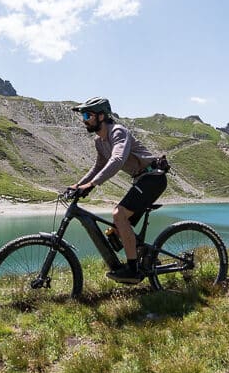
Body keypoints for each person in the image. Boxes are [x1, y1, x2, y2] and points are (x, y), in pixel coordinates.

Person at [69, 97, 168, 284]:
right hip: (141, 180)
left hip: (153, 178)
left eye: (87, 115)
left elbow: (117, 160)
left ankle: (132, 270)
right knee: (116, 229)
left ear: (101, 116)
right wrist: (77, 185)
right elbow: (97, 167)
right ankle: (145, 259)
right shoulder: (100, 141)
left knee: (119, 214)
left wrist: (92, 185)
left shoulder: (118, 132)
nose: (84, 120)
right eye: (83, 115)